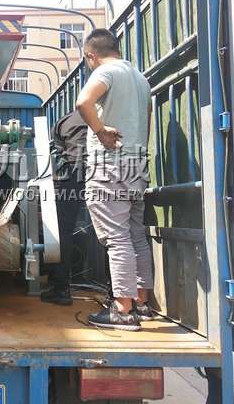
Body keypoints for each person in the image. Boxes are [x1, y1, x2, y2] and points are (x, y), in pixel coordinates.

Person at [75, 28, 154, 331]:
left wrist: (101, 131)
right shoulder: (141, 79)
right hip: (137, 165)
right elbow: (147, 117)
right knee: (136, 235)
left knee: (117, 237)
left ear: (91, 55)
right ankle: (142, 303)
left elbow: (83, 102)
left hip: (111, 166)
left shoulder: (105, 72)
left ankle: (122, 310)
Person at [40, 111, 88, 305]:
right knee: (114, 234)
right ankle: (116, 294)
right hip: (103, 168)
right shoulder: (107, 117)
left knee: (62, 231)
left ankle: (61, 289)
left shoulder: (64, 121)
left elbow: (57, 154)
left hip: (71, 173)